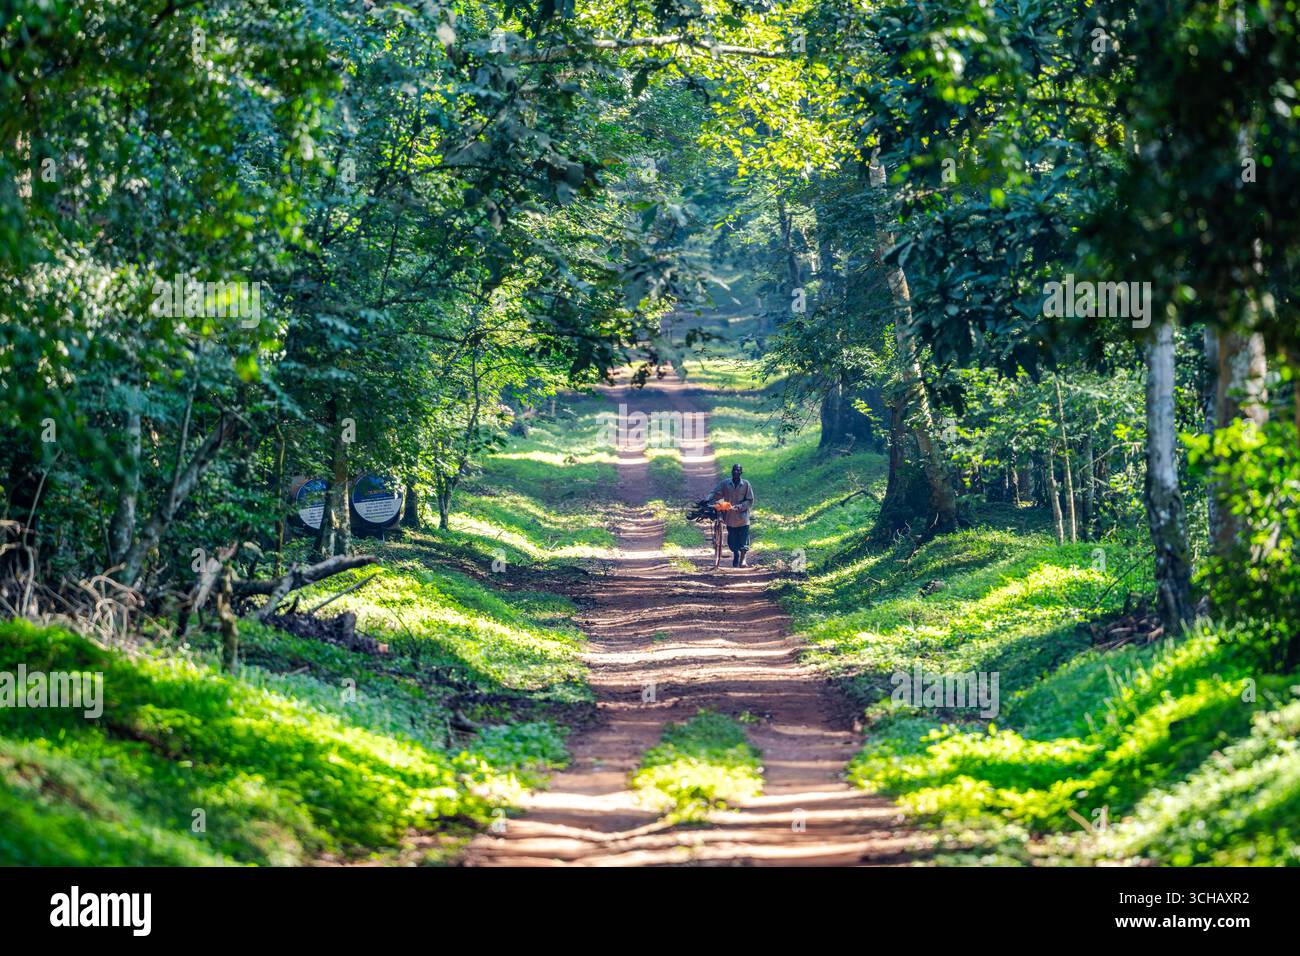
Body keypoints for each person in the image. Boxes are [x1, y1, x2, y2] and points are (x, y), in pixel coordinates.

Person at [709, 463, 754, 568]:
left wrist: (740, 506)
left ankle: (743, 560)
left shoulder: (746, 484)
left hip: (743, 517)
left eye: (738, 470)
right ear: (731, 471)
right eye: (734, 470)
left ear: (741, 472)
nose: (736, 472)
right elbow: (715, 492)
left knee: (744, 538)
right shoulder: (725, 483)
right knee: (732, 540)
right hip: (729, 518)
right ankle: (736, 555)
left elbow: (750, 500)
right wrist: (708, 499)